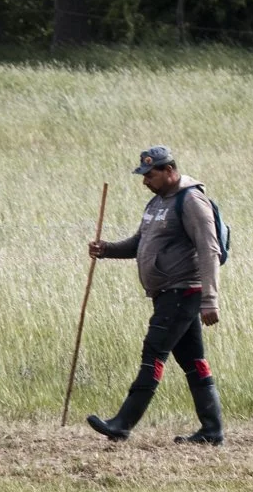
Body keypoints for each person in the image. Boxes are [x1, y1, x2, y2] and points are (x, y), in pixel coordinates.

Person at [86, 145, 224, 444]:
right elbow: (140, 242)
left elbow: (209, 249)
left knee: (153, 354)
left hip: (182, 292)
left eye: (150, 175)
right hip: (166, 293)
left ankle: (122, 424)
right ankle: (212, 432)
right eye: (144, 175)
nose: (145, 181)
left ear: (169, 170)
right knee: (194, 361)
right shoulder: (157, 202)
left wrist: (210, 300)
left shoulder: (191, 201)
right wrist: (107, 249)